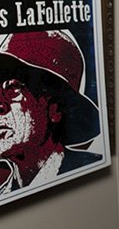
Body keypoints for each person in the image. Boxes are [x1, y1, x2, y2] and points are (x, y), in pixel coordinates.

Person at [0, 30, 102, 196]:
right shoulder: (4, 189)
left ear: (55, 109)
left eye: (13, 89)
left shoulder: (87, 170)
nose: (1, 105)